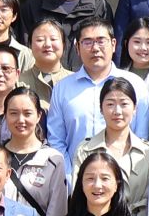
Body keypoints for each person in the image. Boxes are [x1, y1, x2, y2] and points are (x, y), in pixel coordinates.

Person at [73, 78, 149, 216]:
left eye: (124, 104)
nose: (117, 111)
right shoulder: (85, 150)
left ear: (135, 108)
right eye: (110, 104)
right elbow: (78, 196)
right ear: (101, 109)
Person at [43, 20, 128, 159]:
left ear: (113, 44)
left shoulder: (134, 84)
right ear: (77, 47)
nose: (95, 48)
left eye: (101, 41)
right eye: (88, 42)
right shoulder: (62, 88)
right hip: (74, 171)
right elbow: (56, 140)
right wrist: (70, 172)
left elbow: (141, 136)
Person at [2, 88, 70, 216]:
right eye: (13, 113)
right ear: (5, 115)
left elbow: (57, 214)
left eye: (27, 113)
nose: (21, 120)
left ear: (39, 116)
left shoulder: (53, 159)